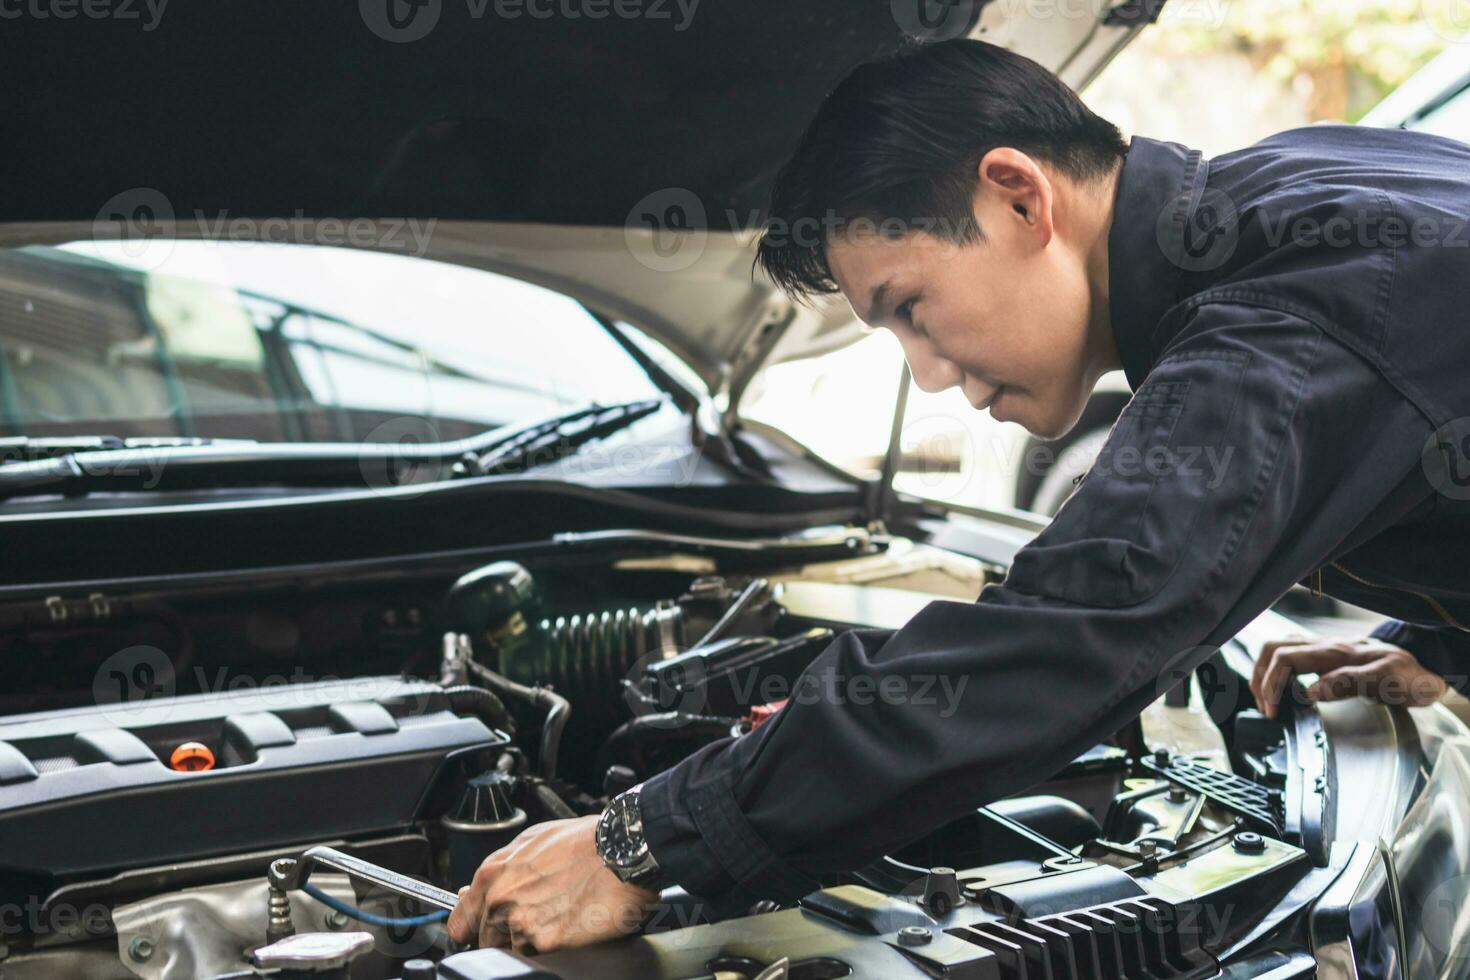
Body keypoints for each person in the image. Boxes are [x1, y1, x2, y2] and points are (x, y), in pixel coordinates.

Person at [447, 37, 1470, 953]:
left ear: (1021, 196)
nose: (928, 373)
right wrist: (1441, 638)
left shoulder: (1274, 316)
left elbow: (1065, 637)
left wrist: (644, 835)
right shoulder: (1297, 189)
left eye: (911, 308)